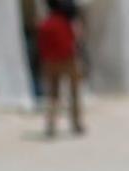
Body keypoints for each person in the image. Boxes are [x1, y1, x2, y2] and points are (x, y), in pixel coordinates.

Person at [37, 0, 84, 137]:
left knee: (52, 96)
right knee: (74, 94)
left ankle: (51, 126)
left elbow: (41, 46)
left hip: (50, 62)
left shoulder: (45, 24)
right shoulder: (65, 22)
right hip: (68, 59)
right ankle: (76, 124)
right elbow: (74, 40)